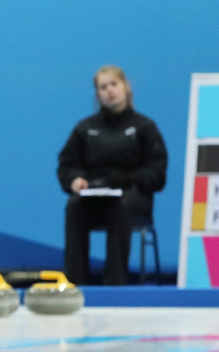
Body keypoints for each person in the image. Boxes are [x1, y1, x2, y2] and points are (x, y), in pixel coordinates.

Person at [57, 65, 167, 285]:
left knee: (119, 205)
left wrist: (128, 180)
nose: (109, 90)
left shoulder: (145, 127)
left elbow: (157, 174)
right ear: (97, 94)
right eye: (103, 87)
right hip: (94, 195)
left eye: (114, 84)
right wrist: (74, 180)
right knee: (74, 205)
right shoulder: (85, 128)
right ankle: (75, 284)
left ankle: (115, 284)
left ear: (126, 86)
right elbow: (66, 165)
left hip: (131, 196)